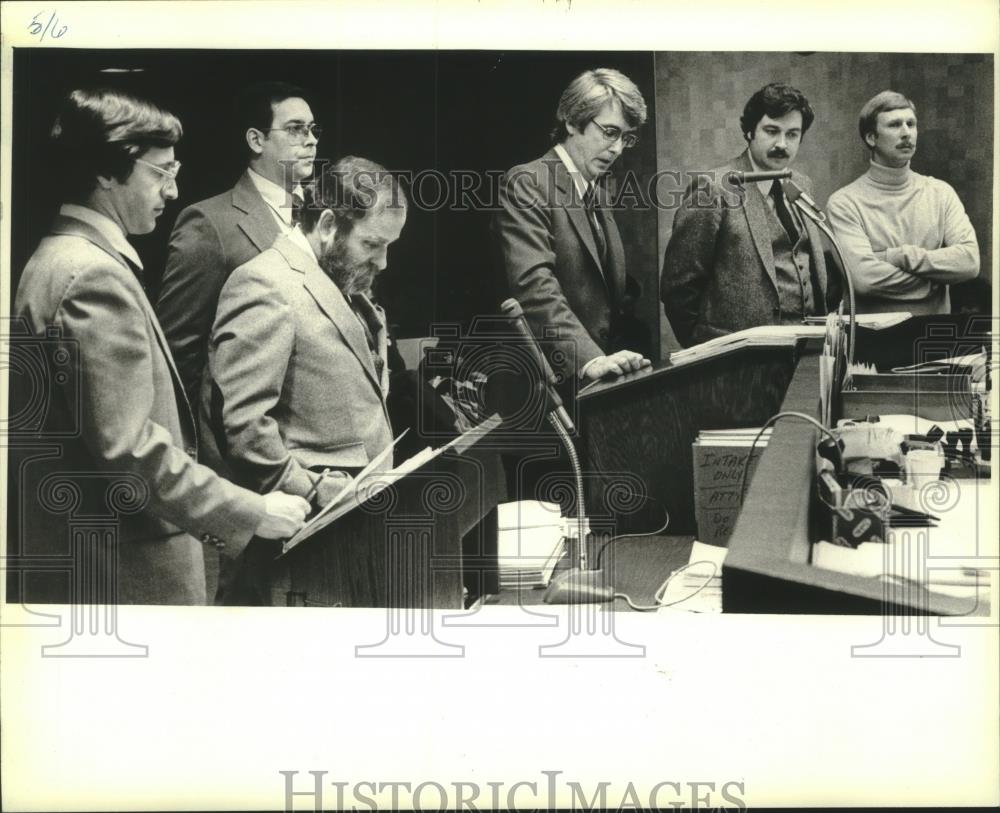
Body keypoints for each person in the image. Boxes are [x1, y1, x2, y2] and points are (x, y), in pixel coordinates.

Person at [11, 88, 309, 605]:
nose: (172, 192)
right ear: (107, 172)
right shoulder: (91, 275)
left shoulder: (57, 258)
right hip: (125, 571)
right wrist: (250, 511)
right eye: (161, 172)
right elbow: (130, 450)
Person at [200, 156, 406, 604]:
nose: (384, 262)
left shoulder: (339, 284)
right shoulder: (265, 284)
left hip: (349, 540)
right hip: (299, 547)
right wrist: (319, 494)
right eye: (373, 244)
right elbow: (244, 426)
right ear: (329, 223)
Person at [155, 80, 319, 404]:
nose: (311, 140)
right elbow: (176, 355)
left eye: (313, 129)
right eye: (296, 129)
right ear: (256, 140)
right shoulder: (209, 223)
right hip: (244, 433)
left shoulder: (324, 216)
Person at [492, 68, 652, 385]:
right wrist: (589, 358)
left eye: (625, 137)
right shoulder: (528, 181)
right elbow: (534, 286)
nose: (618, 148)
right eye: (609, 132)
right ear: (572, 122)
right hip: (546, 386)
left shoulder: (597, 194)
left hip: (592, 383)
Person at [660, 82, 834, 347]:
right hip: (739, 361)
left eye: (792, 134)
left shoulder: (801, 184)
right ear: (750, 132)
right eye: (771, 131)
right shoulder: (715, 187)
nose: (782, 144)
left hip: (806, 351)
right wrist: (707, 350)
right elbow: (679, 287)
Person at [826, 90, 979, 314]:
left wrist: (895, 256)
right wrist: (936, 280)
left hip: (931, 339)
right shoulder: (844, 203)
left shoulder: (941, 193)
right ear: (871, 138)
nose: (907, 133)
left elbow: (969, 262)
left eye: (911, 123)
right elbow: (864, 280)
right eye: (895, 125)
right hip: (872, 342)